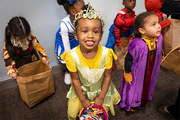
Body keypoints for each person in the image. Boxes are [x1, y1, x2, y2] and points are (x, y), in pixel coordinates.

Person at [61, 3, 120, 120]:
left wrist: (102, 97)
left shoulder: (106, 54)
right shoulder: (72, 56)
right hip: (82, 92)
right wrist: (82, 99)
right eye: (84, 31)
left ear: (101, 35)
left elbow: (108, 77)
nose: (90, 35)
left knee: (100, 113)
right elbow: (75, 79)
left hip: (101, 91)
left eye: (95, 31)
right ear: (76, 35)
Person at [119, 12, 163, 112]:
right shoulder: (136, 44)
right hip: (137, 72)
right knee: (135, 87)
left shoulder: (158, 38)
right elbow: (128, 59)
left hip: (151, 68)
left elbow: (160, 49)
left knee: (147, 83)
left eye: (158, 23)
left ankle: (143, 100)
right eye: (153, 24)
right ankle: (132, 103)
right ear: (142, 30)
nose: (159, 26)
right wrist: (127, 73)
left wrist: (162, 55)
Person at [55, 0, 85, 85]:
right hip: (65, 42)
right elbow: (66, 46)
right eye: (82, 8)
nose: (85, 10)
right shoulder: (64, 24)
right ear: (73, 11)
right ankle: (68, 72)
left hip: (75, 39)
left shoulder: (82, 19)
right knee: (68, 57)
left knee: (80, 54)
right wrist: (69, 57)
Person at [106, 0, 136, 70]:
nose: (133, 3)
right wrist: (118, 41)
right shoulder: (121, 15)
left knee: (128, 45)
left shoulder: (133, 13)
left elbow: (131, 26)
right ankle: (108, 63)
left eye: (134, 1)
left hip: (124, 32)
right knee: (110, 47)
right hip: (115, 32)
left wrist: (131, 36)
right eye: (129, 1)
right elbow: (117, 28)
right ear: (123, 3)